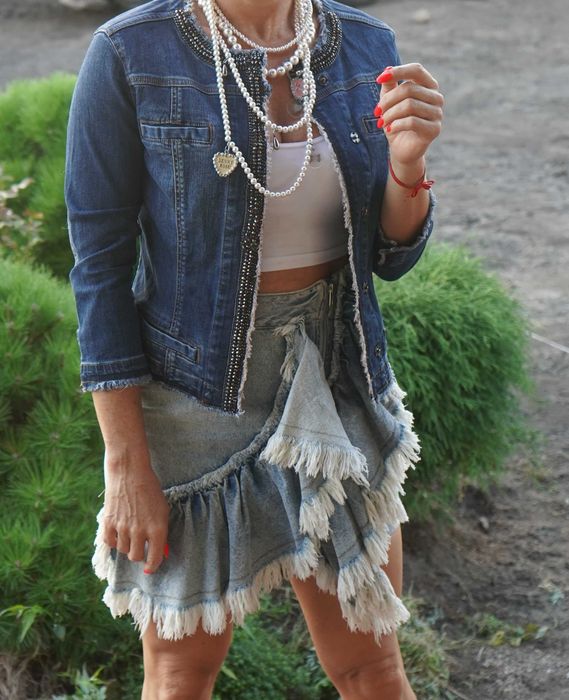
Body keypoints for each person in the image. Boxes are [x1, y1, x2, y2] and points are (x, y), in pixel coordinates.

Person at [64, 0, 443, 697]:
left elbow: (390, 254)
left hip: (336, 381)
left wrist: (408, 164)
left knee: (372, 669)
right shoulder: (131, 52)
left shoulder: (365, 44)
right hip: (194, 402)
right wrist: (126, 466)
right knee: (180, 674)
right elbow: (98, 272)